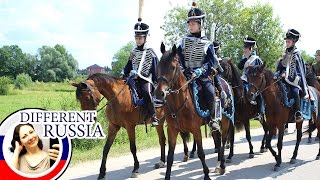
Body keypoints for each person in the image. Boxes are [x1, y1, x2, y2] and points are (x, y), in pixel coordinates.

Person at [176, 2, 225, 131]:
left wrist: (199, 71)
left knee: (210, 92)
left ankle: (213, 119)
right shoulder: (182, 42)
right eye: (189, 23)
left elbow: (210, 63)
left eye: (193, 23)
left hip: (201, 76)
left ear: (200, 24)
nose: (190, 26)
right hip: (185, 74)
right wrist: (182, 69)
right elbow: (179, 59)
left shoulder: (207, 44)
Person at [121, 18, 160, 126]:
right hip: (132, 78)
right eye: (136, 38)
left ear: (145, 38)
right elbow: (128, 65)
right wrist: (124, 73)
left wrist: (155, 82)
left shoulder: (150, 52)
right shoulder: (133, 51)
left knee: (147, 92)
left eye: (140, 38)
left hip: (145, 79)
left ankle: (153, 116)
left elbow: (155, 69)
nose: (138, 40)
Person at [276, 29, 309, 121]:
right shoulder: (284, 54)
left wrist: (286, 75)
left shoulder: (296, 54)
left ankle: (298, 112)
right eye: (286, 41)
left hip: (294, 80)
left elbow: (299, 70)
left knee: (295, 92)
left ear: (294, 42)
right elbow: (280, 66)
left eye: (288, 41)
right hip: (283, 79)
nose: (287, 43)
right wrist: (278, 73)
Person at [238, 36, 264, 121]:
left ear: (251, 48)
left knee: (257, 93)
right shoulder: (245, 59)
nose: (244, 49)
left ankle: (259, 112)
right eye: (244, 47)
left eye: (246, 48)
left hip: (254, 81)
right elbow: (240, 67)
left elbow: (261, 71)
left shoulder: (256, 59)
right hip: (244, 79)